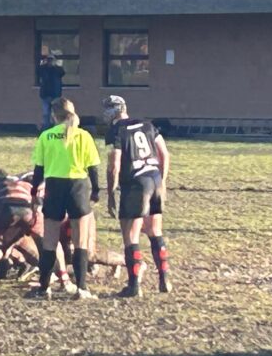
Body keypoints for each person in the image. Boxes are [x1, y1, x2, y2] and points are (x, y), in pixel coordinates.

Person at [29, 98, 101, 300]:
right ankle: (82, 288)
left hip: (54, 188)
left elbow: (39, 169)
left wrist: (34, 192)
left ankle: (44, 288)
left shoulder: (46, 136)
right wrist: (95, 190)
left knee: (50, 241)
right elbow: (93, 167)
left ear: (54, 115)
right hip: (78, 187)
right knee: (80, 241)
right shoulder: (84, 136)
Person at [103, 95, 172, 298]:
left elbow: (114, 163)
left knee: (130, 236)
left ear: (112, 111)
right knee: (154, 231)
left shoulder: (116, 130)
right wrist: (163, 180)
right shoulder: (148, 124)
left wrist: (110, 192)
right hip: (155, 178)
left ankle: (134, 285)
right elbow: (164, 154)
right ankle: (164, 277)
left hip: (134, 184)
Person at [37, 53, 65, 130]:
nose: (50, 61)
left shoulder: (58, 69)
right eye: (49, 60)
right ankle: (46, 128)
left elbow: (62, 73)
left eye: (51, 60)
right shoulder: (43, 69)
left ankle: (56, 128)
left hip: (55, 95)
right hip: (45, 95)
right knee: (46, 113)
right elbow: (39, 72)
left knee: (55, 113)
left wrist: (55, 66)